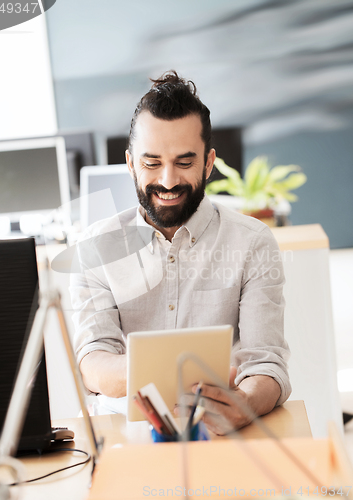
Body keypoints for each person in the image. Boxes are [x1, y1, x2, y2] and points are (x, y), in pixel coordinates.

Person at [69, 71, 291, 435]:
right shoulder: (95, 247)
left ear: (208, 163)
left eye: (184, 163)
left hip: (221, 429)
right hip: (124, 431)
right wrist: (169, 372)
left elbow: (267, 365)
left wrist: (245, 403)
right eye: (152, 163)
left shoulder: (252, 241)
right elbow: (93, 362)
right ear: (130, 164)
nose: (168, 180)